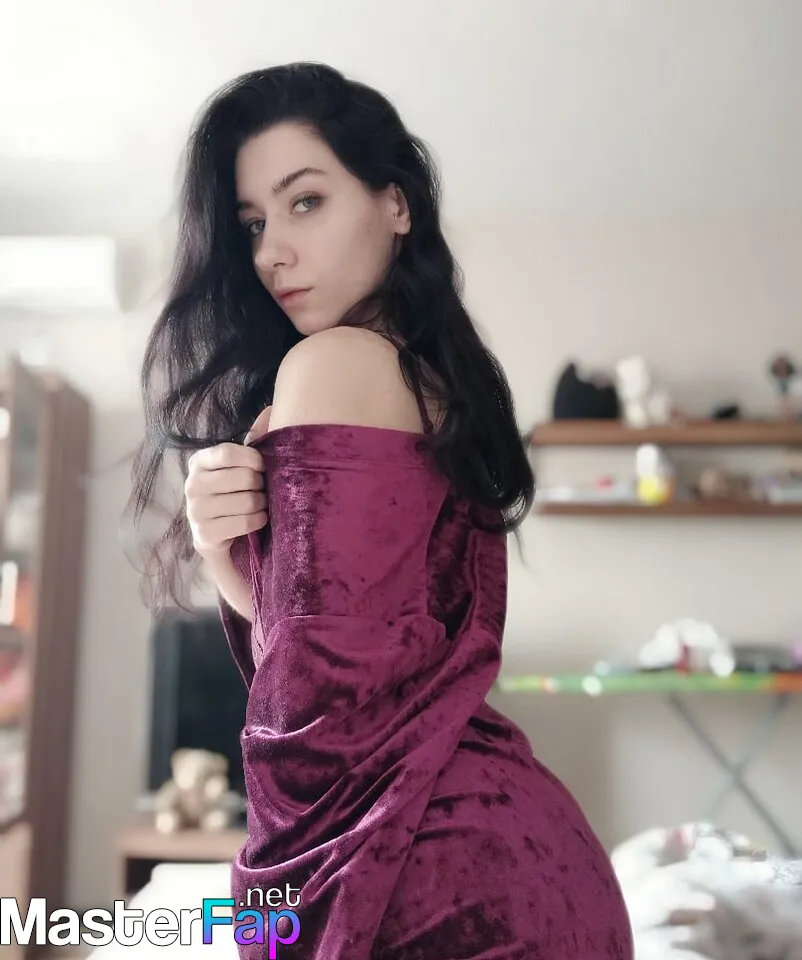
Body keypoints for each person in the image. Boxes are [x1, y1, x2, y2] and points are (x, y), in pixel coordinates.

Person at [127, 62, 633, 959]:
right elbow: (345, 656)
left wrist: (270, 915)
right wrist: (223, 552)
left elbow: (317, 715)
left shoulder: (336, 364)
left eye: (306, 202)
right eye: (253, 223)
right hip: (512, 858)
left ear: (395, 203)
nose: (271, 251)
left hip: (440, 884)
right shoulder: (427, 376)